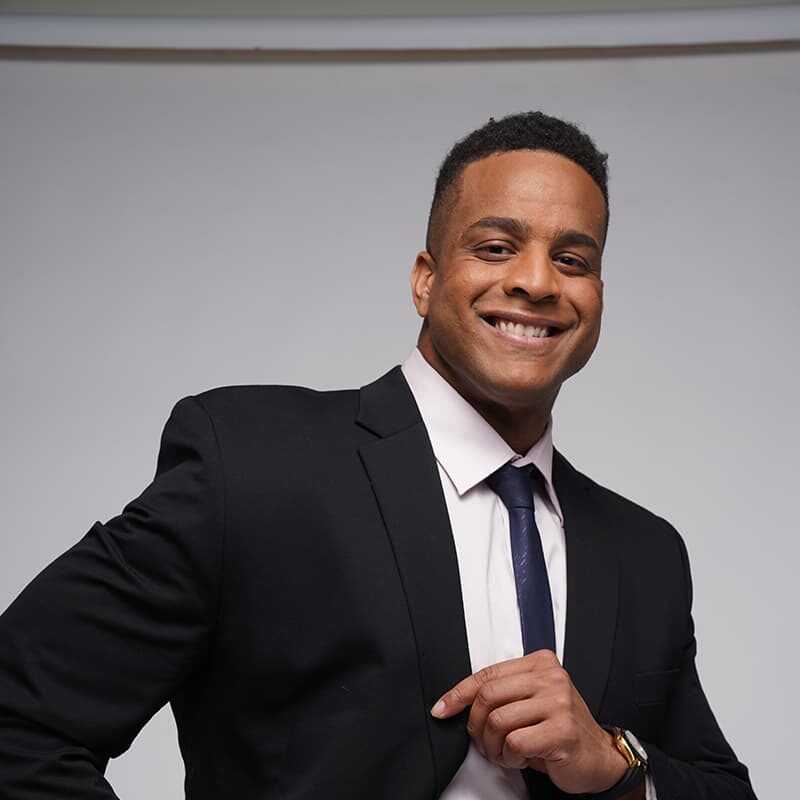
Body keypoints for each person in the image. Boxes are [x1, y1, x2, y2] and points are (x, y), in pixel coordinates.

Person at [0, 111, 756, 799]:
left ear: (596, 294)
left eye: (571, 259)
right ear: (426, 281)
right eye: (496, 247)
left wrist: (619, 765)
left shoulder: (646, 554)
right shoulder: (253, 465)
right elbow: (20, 718)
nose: (534, 281)